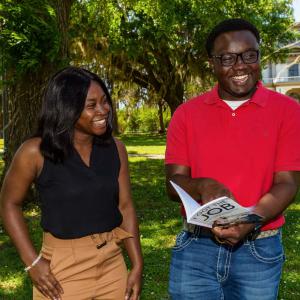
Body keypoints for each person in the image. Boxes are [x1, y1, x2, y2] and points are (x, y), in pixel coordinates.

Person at [165, 18, 300, 300]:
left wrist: (252, 220)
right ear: (212, 63)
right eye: (227, 58)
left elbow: (287, 183)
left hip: (259, 250)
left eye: (249, 55)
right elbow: (173, 183)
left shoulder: (288, 111)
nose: (240, 65)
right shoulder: (186, 114)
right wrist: (201, 185)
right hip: (195, 248)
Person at [0, 67, 143, 300]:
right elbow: (9, 204)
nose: (103, 110)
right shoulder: (35, 152)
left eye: (105, 101)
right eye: (91, 105)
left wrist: (137, 264)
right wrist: (32, 262)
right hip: (63, 270)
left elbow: (125, 206)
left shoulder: (116, 149)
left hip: (112, 262)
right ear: (67, 109)